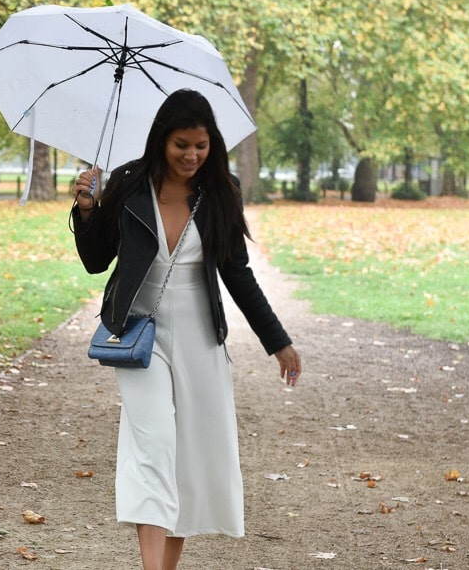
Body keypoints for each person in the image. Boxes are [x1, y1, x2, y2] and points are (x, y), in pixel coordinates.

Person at [70, 88, 301, 570]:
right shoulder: (129, 184)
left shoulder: (222, 191)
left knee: (188, 457)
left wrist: (277, 342)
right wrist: (87, 210)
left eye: (201, 145)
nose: (192, 155)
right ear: (162, 140)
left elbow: (237, 272)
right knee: (153, 447)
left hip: (199, 335)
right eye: (181, 145)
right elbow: (96, 260)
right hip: (138, 336)